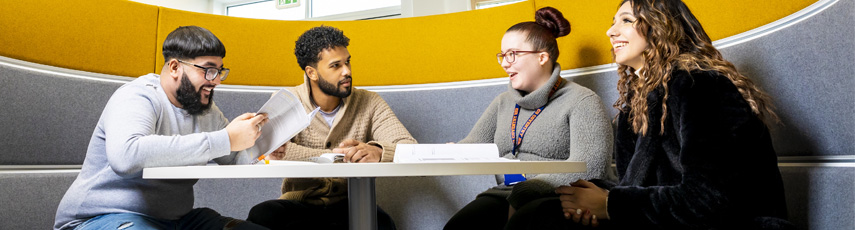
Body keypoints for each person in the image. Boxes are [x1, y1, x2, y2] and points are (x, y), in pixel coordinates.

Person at [507, 0, 794, 229]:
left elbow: (712, 199)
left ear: (660, 27)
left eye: (626, 21)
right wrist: (583, 196)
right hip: (661, 218)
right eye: (613, 22)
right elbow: (633, 186)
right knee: (542, 211)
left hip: (735, 223)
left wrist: (609, 205)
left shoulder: (703, 86)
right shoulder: (636, 101)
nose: (611, 31)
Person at [54, 26, 270, 230]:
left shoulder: (206, 109)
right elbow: (126, 156)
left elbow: (232, 157)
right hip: (102, 216)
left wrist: (263, 148)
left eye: (219, 71)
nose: (216, 81)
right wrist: (226, 139)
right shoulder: (137, 96)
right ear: (175, 67)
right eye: (209, 70)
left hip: (175, 220)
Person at [443, 7, 614, 230]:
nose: (505, 63)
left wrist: (530, 187)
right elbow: (473, 147)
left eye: (512, 54)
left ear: (542, 57)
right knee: (460, 226)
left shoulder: (582, 100)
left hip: (559, 196)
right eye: (502, 56)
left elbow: (591, 166)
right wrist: (450, 151)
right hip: (506, 193)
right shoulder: (503, 102)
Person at [246, 25, 416, 230]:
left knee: (382, 223)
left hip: (352, 201)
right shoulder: (286, 101)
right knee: (262, 215)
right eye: (336, 66)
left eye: (348, 62)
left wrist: (379, 150)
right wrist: (344, 157)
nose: (347, 71)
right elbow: (271, 154)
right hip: (298, 203)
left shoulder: (369, 101)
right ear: (312, 72)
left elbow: (408, 147)